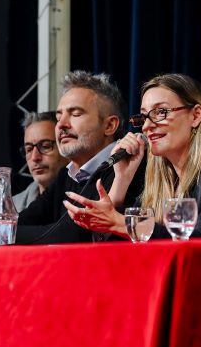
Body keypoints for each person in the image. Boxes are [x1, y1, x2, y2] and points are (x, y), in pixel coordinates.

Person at [64, 73, 201, 239]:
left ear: (195, 116)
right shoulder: (160, 181)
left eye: (160, 112)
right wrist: (121, 181)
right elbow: (112, 250)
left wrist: (121, 223)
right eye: (144, 116)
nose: (147, 126)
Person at [16, 70, 145, 243]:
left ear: (109, 125)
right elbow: (23, 221)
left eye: (75, 114)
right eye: (59, 117)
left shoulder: (128, 166)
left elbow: (72, 235)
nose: (61, 125)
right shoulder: (66, 175)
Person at [13, 111, 67, 212]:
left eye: (45, 146)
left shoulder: (87, 200)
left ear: (66, 148)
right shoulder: (11, 209)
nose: (35, 157)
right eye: (29, 149)